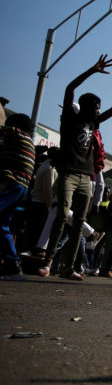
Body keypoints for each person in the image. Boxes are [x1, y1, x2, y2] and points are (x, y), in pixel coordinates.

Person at [40, 55, 112, 279]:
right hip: (68, 174)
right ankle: (48, 260)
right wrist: (92, 70)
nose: (98, 111)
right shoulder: (69, 119)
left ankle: (69, 267)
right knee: (63, 214)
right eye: (95, 108)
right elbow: (70, 88)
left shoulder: (93, 124)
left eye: (98, 109)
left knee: (78, 225)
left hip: (87, 178)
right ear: (84, 107)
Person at [0, 113, 36, 278]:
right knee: (3, 225)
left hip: (11, 182)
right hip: (22, 188)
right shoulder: (29, 142)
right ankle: (12, 262)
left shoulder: (16, 133)